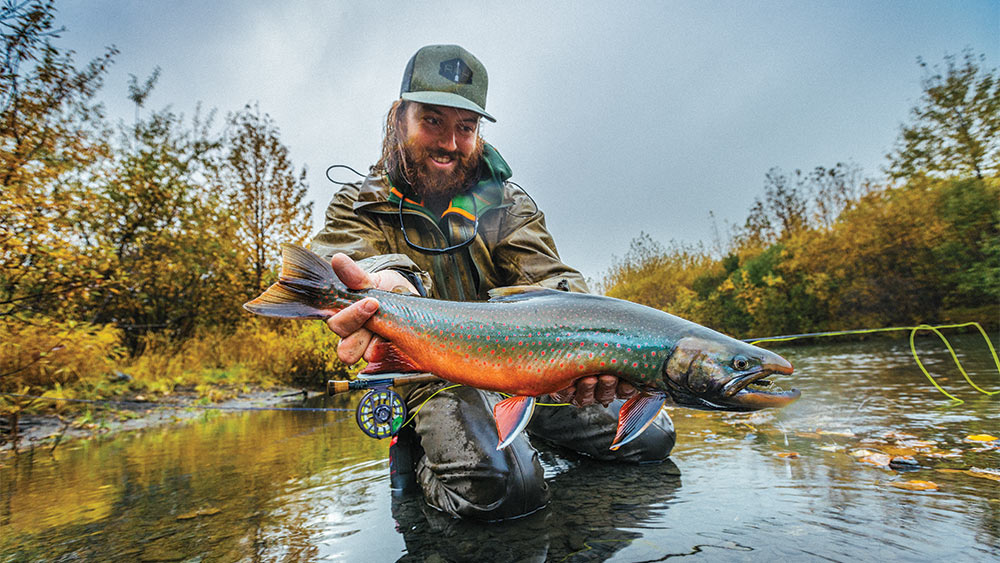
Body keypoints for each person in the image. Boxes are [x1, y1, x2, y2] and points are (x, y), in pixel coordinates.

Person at [312, 44, 675, 521]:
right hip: (429, 379)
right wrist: (391, 282)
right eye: (433, 121)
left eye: (466, 127)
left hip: (527, 370)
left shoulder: (506, 204)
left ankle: (521, 431)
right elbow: (337, 259)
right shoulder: (358, 204)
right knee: (508, 489)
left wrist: (595, 342)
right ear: (399, 118)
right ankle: (429, 461)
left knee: (650, 437)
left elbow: (550, 280)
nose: (449, 142)